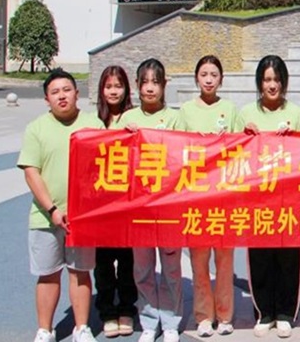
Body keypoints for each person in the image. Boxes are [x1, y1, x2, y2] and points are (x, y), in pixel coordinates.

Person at [18, 69, 104, 342]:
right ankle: (45, 330)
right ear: (47, 99)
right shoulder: (36, 129)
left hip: (82, 218)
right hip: (45, 217)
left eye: (67, 90)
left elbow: (106, 165)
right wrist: (53, 210)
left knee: (80, 273)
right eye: (55, 92)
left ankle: (81, 328)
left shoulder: (93, 125)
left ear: (77, 93)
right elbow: (31, 172)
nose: (62, 96)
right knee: (47, 274)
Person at [239, 55, 300, 339]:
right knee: (260, 258)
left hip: (289, 199)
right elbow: (233, 154)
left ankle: (286, 313)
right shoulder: (245, 113)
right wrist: (245, 136)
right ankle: (264, 312)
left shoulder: (296, 113)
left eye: (277, 79)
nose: (272, 85)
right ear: (259, 83)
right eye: (267, 80)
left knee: (288, 258)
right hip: (257, 200)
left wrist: (295, 137)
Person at [121, 58, 182, 342]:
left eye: (155, 82)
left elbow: (184, 158)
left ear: (164, 85)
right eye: (144, 82)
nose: (149, 88)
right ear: (136, 85)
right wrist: (125, 138)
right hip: (139, 209)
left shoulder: (175, 118)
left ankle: (170, 321)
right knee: (142, 268)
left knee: (171, 268)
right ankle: (148, 321)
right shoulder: (126, 119)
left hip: (168, 207)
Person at [178, 56, 239, 337]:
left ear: (221, 79)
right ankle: (203, 316)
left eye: (214, 74)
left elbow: (241, 148)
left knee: (225, 261)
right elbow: (176, 149)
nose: (209, 79)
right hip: (196, 197)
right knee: (199, 260)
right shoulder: (186, 111)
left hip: (223, 196)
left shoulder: (230, 109)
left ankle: (225, 315)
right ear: (196, 78)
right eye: (204, 74)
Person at [94, 65, 137, 338]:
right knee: (103, 261)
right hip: (100, 205)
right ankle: (107, 310)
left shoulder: (134, 118)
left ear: (126, 89)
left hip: (129, 203)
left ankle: (127, 309)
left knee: (128, 259)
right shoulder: (92, 120)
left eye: (118, 86)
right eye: (108, 86)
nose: (113, 91)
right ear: (101, 90)